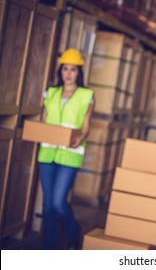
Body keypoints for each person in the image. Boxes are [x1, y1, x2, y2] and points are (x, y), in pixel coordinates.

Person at [37, 48, 94, 250]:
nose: (68, 74)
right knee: (47, 203)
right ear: (60, 71)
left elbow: (87, 126)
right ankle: (49, 247)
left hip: (70, 155)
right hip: (47, 153)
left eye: (73, 70)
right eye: (65, 69)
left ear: (79, 72)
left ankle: (73, 231)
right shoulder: (50, 93)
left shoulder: (87, 95)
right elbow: (42, 122)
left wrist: (81, 137)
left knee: (59, 202)